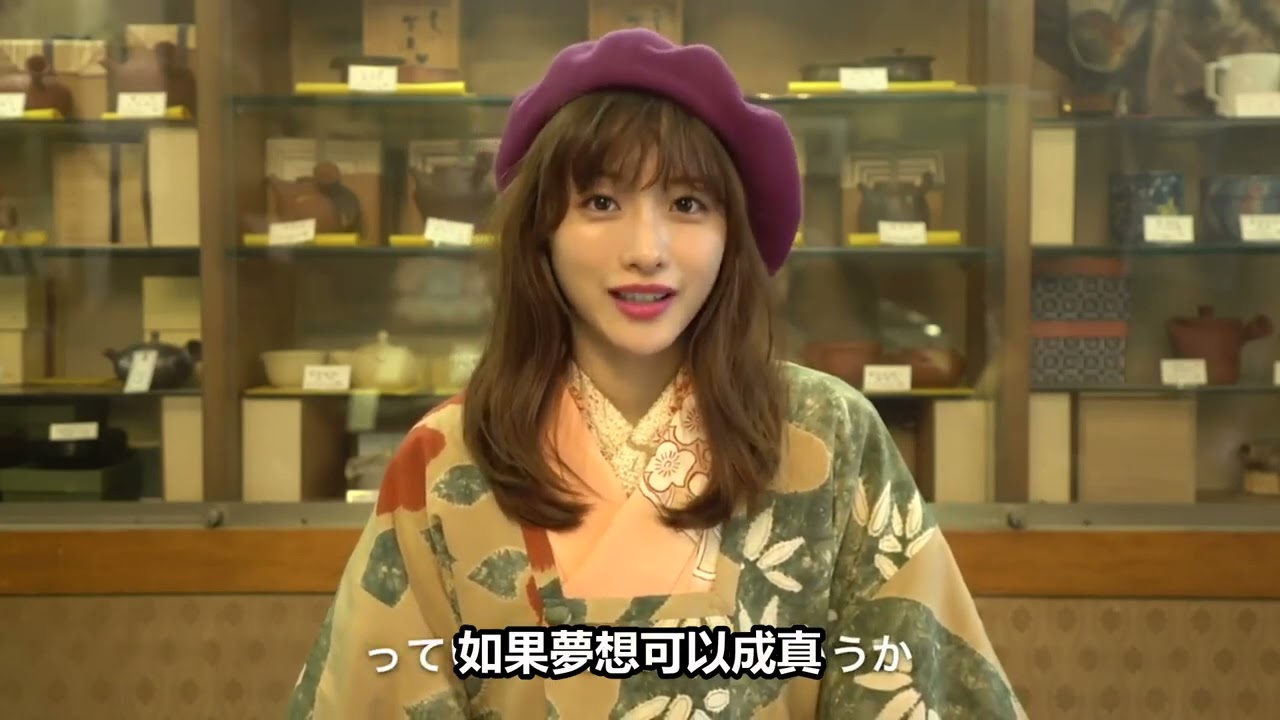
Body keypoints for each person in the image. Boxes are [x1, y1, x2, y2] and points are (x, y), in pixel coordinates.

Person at [286, 28, 1025, 719]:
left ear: (732, 235)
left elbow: (913, 683)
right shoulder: (447, 458)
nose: (647, 249)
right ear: (543, 232)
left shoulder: (828, 434)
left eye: (687, 203)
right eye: (601, 201)